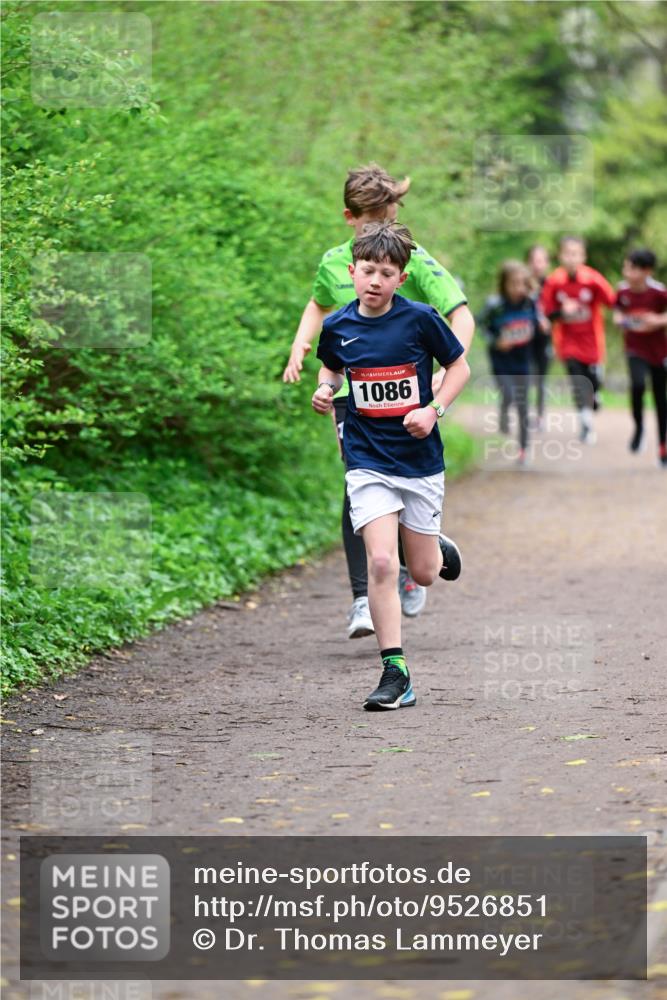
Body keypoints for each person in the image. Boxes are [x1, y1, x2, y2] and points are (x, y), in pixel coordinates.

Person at [283, 164, 474, 639]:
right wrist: (300, 345)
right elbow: (318, 304)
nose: (380, 224)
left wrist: (440, 380)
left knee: (401, 500)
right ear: (350, 217)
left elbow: (459, 315)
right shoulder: (335, 262)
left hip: (409, 401)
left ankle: (419, 549)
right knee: (358, 484)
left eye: (388, 213)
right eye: (371, 216)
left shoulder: (410, 259)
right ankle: (363, 599)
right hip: (351, 396)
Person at [312, 222, 470, 711]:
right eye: (367, 271)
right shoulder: (338, 325)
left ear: (401, 279)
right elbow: (332, 367)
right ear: (352, 271)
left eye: (385, 273)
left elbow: (459, 368)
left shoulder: (421, 319)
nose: (374, 280)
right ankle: (395, 672)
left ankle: (434, 548)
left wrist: (433, 409)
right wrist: (324, 388)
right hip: (366, 459)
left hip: (419, 461)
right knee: (381, 562)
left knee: (421, 574)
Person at [540, 236, 615, 444]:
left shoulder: (593, 279)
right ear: (560, 256)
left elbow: (612, 302)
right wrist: (561, 312)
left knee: (594, 382)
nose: (571, 258)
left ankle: (596, 394)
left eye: (575, 254)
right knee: (577, 382)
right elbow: (546, 312)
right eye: (567, 253)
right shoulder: (554, 281)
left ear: (583, 256)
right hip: (568, 342)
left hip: (592, 341)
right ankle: (586, 425)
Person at [478, 261, 538, 466]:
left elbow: (538, 326)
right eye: (513, 284)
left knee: (523, 405)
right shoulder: (495, 306)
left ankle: (524, 449)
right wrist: (496, 341)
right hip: (501, 362)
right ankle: (503, 412)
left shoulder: (530, 303)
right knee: (509, 395)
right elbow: (480, 326)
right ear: (504, 284)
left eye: (523, 283)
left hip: (523, 362)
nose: (518, 288)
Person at [613, 248, 667, 466]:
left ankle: (663, 445)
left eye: (632, 268)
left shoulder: (659, 292)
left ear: (646, 271)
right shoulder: (622, 292)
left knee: (660, 398)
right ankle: (639, 428)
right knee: (636, 385)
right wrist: (620, 320)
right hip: (634, 348)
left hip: (659, 351)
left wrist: (658, 320)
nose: (627, 272)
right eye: (626, 267)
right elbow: (616, 311)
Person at [525, 244, 552, 429]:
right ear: (528, 262)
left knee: (541, 379)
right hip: (523, 340)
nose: (538, 265)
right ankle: (524, 415)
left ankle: (540, 416)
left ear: (547, 263)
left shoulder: (552, 285)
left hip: (544, 340)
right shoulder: (521, 284)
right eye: (534, 261)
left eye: (541, 261)